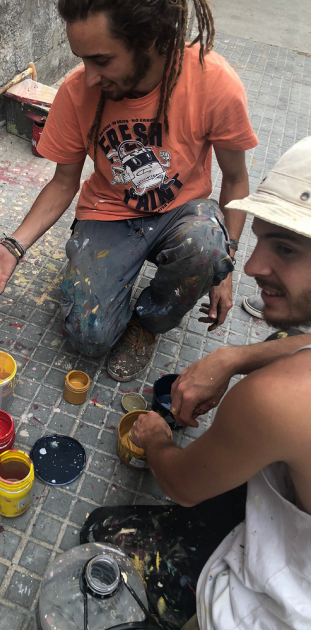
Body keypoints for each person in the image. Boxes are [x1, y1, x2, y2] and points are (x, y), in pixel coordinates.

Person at [0, 0, 258, 382]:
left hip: (183, 215)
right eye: (82, 59)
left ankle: (149, 323)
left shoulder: (213, 81)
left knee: (207, 249)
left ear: (151, 41)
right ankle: (100, 274)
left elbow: (236, 181)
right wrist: (13, 246)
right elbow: (63, 182)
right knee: (87, 338)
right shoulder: (76, 92)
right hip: (109, 214)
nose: (87, 77)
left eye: (101, 60)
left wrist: (226, 268)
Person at [129, 136, 311, 629]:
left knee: (108, 537)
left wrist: (156, 440)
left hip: (284, 608)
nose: (251, 267)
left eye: (287, 248)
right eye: (262, 239)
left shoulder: (279, 398)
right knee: (291, 334)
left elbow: (185, 487)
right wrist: (233, 357)